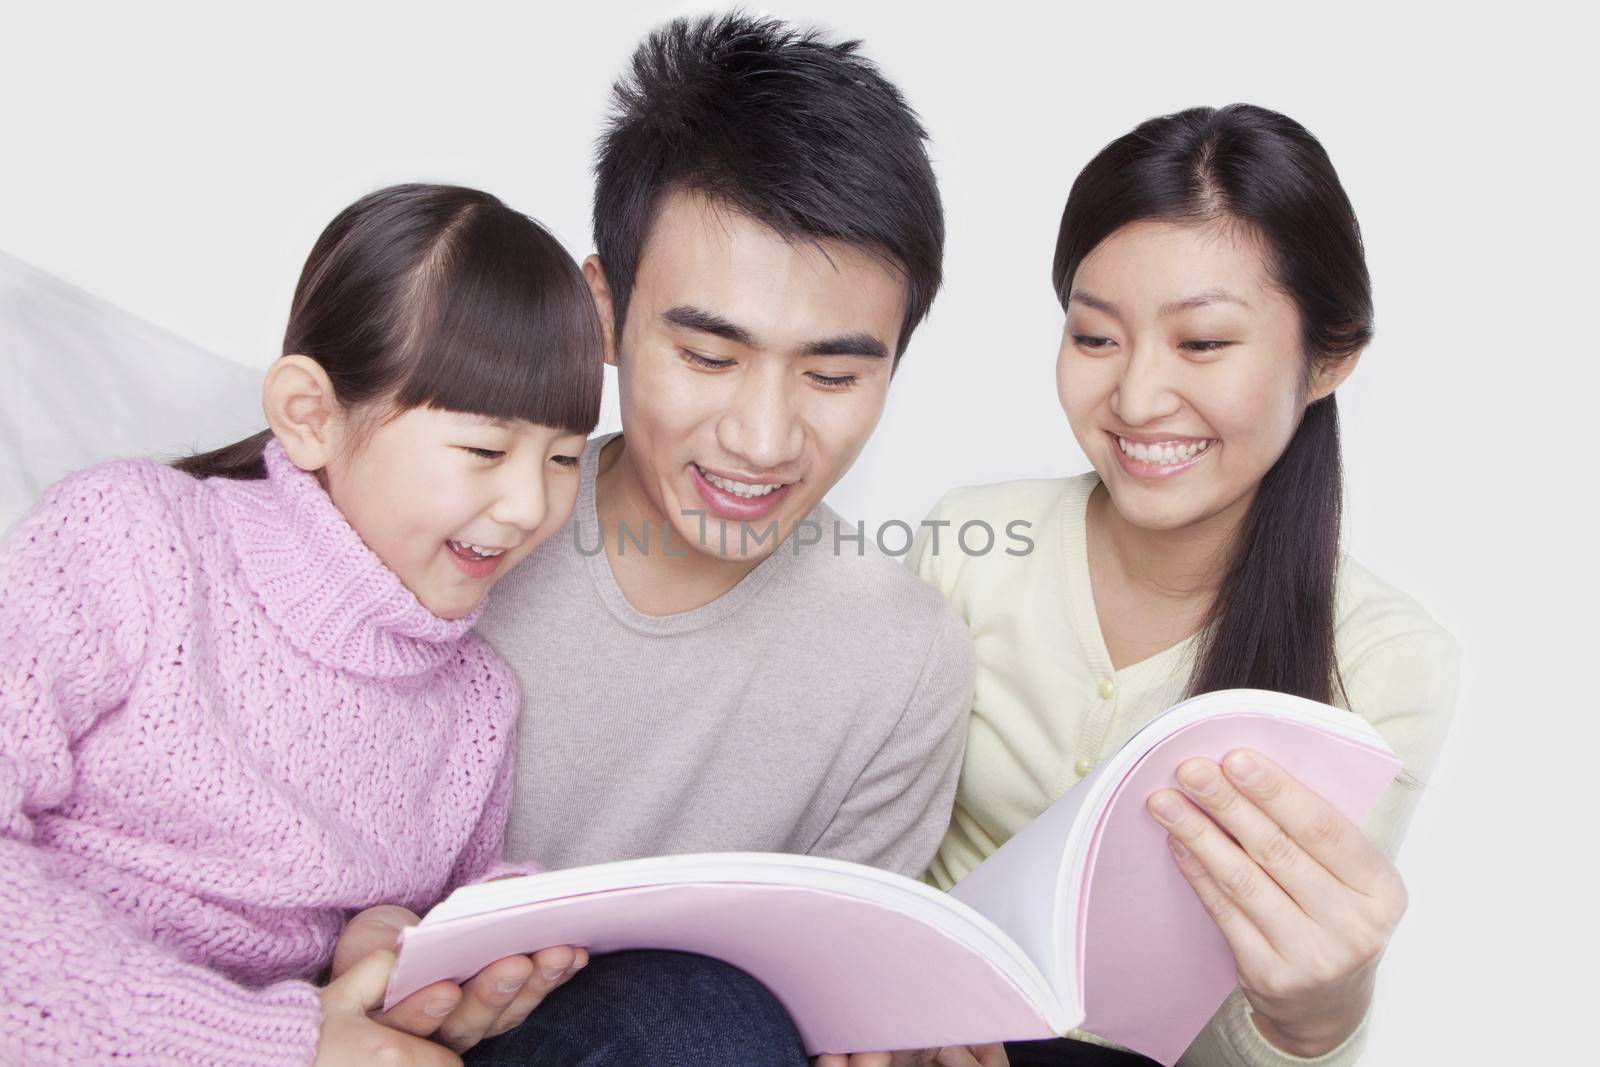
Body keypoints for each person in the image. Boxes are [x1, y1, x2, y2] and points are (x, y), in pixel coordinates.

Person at [331, 12, 992, 1067]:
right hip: (359, 1030)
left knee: (704, 1014)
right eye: (708, 354)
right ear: (604, 312)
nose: (763, 438)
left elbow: (829, 994)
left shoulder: (903, 658)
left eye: (832, 375)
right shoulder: (453, 527)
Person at [0, 183, 605, 1065]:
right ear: (311, 415)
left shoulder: (477, 704)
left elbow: (396, 940)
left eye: (561, 459)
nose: (526, 505)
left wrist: (398, 939)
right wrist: (279, 1042)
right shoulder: (131, 541)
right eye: (485, 449)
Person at [907, 104, 1459, 1067]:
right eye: (1094, 337)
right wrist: (906, 1005)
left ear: (1329, 359)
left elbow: (1267, 1022)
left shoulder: (1383, 661)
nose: (1135, 397)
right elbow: (876, 859)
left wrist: (1319, 1011)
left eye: (1201, 343)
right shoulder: (967, 542)